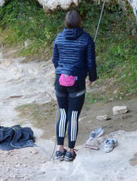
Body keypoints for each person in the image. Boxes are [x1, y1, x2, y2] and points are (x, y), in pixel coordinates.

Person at [52, 10, 97, 162]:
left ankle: (59, 149)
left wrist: (61, 72)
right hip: (76, 82)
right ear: (80, 22)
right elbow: (90, 62)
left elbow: (55, 60)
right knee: (72, 116)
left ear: (66, 22)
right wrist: (92, 78)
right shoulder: (86, 39)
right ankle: (70, 151)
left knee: (63, 113)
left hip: (60, 80)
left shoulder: (59, 37)